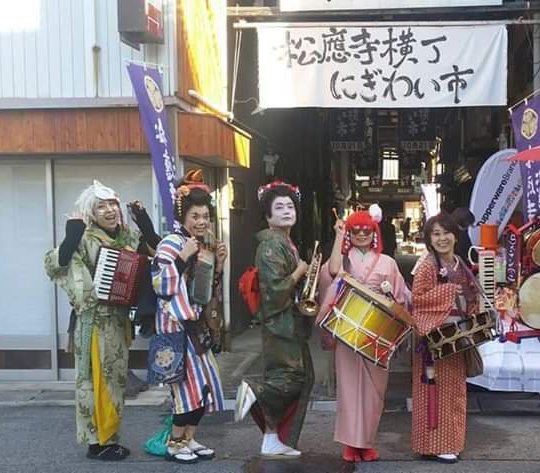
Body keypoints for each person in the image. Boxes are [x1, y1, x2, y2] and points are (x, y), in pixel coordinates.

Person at [44, 180, 159, 461]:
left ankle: (108, 436)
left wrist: (145, 225)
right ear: (90, 212)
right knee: (96, 381)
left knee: (115, 381)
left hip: (119, 322)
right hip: (94, 321)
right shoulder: (85, 237)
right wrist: (72, 236)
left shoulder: (127, 237)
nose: (109, 211)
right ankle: (99, 442)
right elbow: (55, 264)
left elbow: (157, 252)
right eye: (101, 206)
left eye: (112, 205)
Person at [317, 205, 410, 463]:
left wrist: (391, 294)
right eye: (355, 230)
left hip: (377, 329)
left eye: (366, 231)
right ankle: (350, 443)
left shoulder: (388, 262)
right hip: (348, 327)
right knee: (348, 388)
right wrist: (338, 236)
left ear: (375, 233)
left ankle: (366, 441)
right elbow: (332, 273)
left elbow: (402, 297)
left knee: (375, 389)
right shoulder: (343, 259)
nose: (361, 235)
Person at [151, 169, 227, 464]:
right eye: (195, 216)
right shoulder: (170, 244)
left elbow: (205, 293)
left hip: (196, 327)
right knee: (185, 388)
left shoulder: (204, 246)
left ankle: (189, 438)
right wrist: (183, 257)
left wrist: (218, 265)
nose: (201, 221)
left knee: (205, 385)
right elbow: (160, 284)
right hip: (176, 329)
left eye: (205, 216)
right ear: (183, 217)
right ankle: (174, 443)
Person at [234, 180, 313, 459]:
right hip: (280, 323)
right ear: (268, 216)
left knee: (295, 378)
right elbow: (274, 290)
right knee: (292, 378)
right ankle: (255, 389)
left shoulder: (286, 243)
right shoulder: (270, 246)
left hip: (288, 321)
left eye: (290, 206)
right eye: (278, 207)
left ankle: (272, 439)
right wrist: (300, 272)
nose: (286, 211)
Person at [410, 213, 481, 464]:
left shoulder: (459, 262)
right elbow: (417, 298)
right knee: (433, 392)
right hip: (435, 336)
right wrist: (450, 290)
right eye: (435, 234)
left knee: (455, 392)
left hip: (457, 335)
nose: (441, 238)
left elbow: (472, 295)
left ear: (455, 235)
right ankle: (431, 444)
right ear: (429, 239)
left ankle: (449, 442)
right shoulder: (428, 264)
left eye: (446, 233)